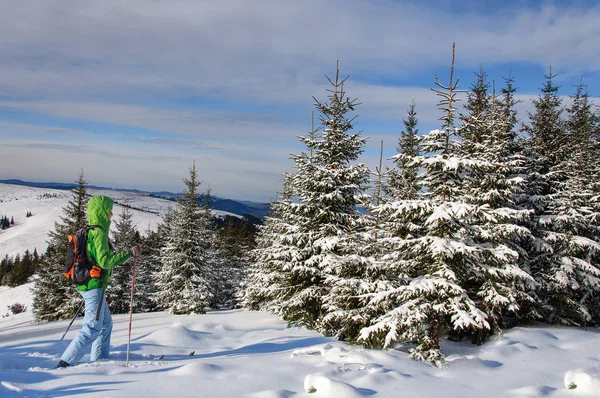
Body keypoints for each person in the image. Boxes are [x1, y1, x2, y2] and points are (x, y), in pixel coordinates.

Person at [56, 195, 139, 368]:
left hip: (88, 283)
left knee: (106, 324)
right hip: (94, 285)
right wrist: (128, 254)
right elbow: (105, 261)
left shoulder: (89, 231)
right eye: (109, 211)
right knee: (93, 327)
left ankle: (100, 361)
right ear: (101, 212)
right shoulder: (99, 233)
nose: (111, 215)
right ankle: (64, 364)